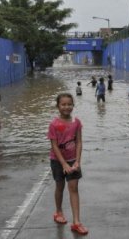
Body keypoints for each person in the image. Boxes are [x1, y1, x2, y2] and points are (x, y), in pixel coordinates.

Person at [47, 93, 88, 235]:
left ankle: (76, 222)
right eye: (63, 104)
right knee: (60, 186)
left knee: (74, 188)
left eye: (69, 104)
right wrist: (64, 164)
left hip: (73, 160)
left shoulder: (76, 122)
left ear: (73, 105)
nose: (66, 107)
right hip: (57, 160)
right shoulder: (54, 124)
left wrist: (77, 161)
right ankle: (58, 211)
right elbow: (54, 146)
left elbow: (79, 142)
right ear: (58, 106)